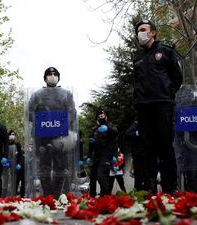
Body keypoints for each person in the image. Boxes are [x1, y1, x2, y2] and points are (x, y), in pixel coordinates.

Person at [132, 19, 183, 194]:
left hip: (163, 105)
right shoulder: (137, 57)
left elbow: (177, 78)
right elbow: (137, 81)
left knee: (165, 145)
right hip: (144, 107)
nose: (140, 33)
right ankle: (150, 185)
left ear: (153, 32)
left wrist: (168, 93)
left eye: (143, 29)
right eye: (138, 30)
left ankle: (170, 186)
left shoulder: (166, 52)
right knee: (148, 147)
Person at [26, 66, 77, 197]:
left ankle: (58, 195)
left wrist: (64, 123)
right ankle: (47, 195)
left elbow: (72, 113)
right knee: (44, 167)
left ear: (58, 77)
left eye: (55, 74)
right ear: (45, 78)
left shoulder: (66, 94)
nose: (52, 76)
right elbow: (29, 112)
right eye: (50, 74)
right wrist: (41, 121)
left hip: (60, 137)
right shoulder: (37, 94)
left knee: (61, 167)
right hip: (42, 136)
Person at [88, 111, 118, 196]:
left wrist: (114, 156)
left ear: (106, 117)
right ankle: (92, 196)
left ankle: (105, 196)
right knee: (93, 177)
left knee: (101, 176)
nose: (101, 117)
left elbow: (115, 136)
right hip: (96, 156)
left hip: (106, 155)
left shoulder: (110, 126)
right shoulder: (95, 129)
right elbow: (91, 143)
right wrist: (89, 155)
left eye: (103, 116)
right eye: (99, 117)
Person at [125, 119, 147, 191]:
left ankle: (148, 189)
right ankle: (138, 189)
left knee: (148, 173)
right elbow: (128, 133)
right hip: (138, 153)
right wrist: (136, 133)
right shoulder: (136, 124)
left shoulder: (151, 123)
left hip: (148, 153)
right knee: (138, 174)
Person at [8, 130, 24, 197]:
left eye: (13, 134)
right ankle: (13, 196)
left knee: (23, 182)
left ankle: (22, 195)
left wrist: (19, 164)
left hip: (19, 167)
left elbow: (20, 155)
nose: (12, 135)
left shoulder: (17, 144)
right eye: (11, 134)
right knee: (14, 183)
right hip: (12, 168)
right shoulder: (6, 145)